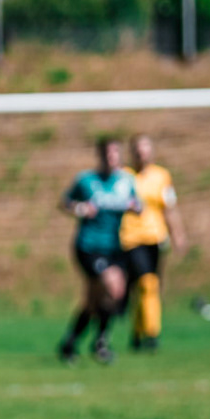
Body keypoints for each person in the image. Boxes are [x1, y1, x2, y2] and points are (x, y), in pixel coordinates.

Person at [58, 138, 140, 365]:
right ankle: (101, 342)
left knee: (95, 301)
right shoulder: (86, 180)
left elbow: (138, 205)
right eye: (108, 154)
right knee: (112, 287)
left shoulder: (126, 181)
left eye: (116, 153)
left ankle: (70, 342)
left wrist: (135, 207)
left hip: (114, 247)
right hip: (88, 246)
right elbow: (65, 202)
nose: (112, 157)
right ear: (101, 156)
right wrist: (80, 208)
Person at [120, 134, 187, 353]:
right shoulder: (124, 176)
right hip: (130, 238)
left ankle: (140, 332)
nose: (142, 153)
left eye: (146, 148)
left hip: (155, 238)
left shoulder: (162, 176)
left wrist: (178, 234)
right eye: (138, 149)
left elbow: (170, 207)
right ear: (132, 152)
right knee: (145, 283)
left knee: (150, 285)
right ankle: (150, 332)